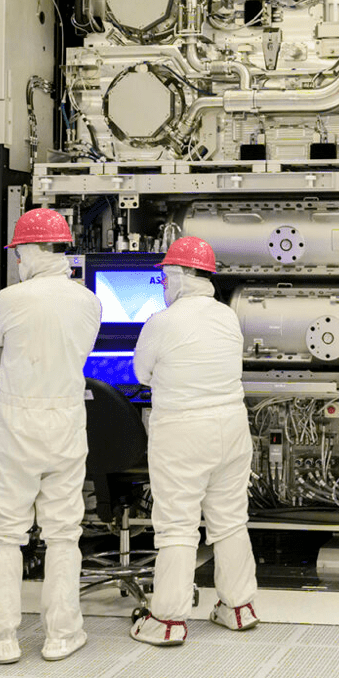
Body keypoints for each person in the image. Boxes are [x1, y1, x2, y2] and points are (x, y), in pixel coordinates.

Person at [0, 209, 101, 665]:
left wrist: (16, 364)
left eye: (19, 253)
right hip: (66, 421)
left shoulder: (9, 299)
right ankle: (62, 634)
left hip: (17, 422)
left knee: (5, 532)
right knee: (64, 531)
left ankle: (0, 638)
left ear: (27, 250)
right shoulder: (88, 301)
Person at [130, 236, 259, 645]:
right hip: (232, 429)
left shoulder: (162, 322)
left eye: (165, 279)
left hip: (183, 432)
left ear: (179, 275)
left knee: (177, 526)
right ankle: (238, 607)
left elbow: (141, 374)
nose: (164, 286)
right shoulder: (227, 316)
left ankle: (167, 620)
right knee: (230, 520)